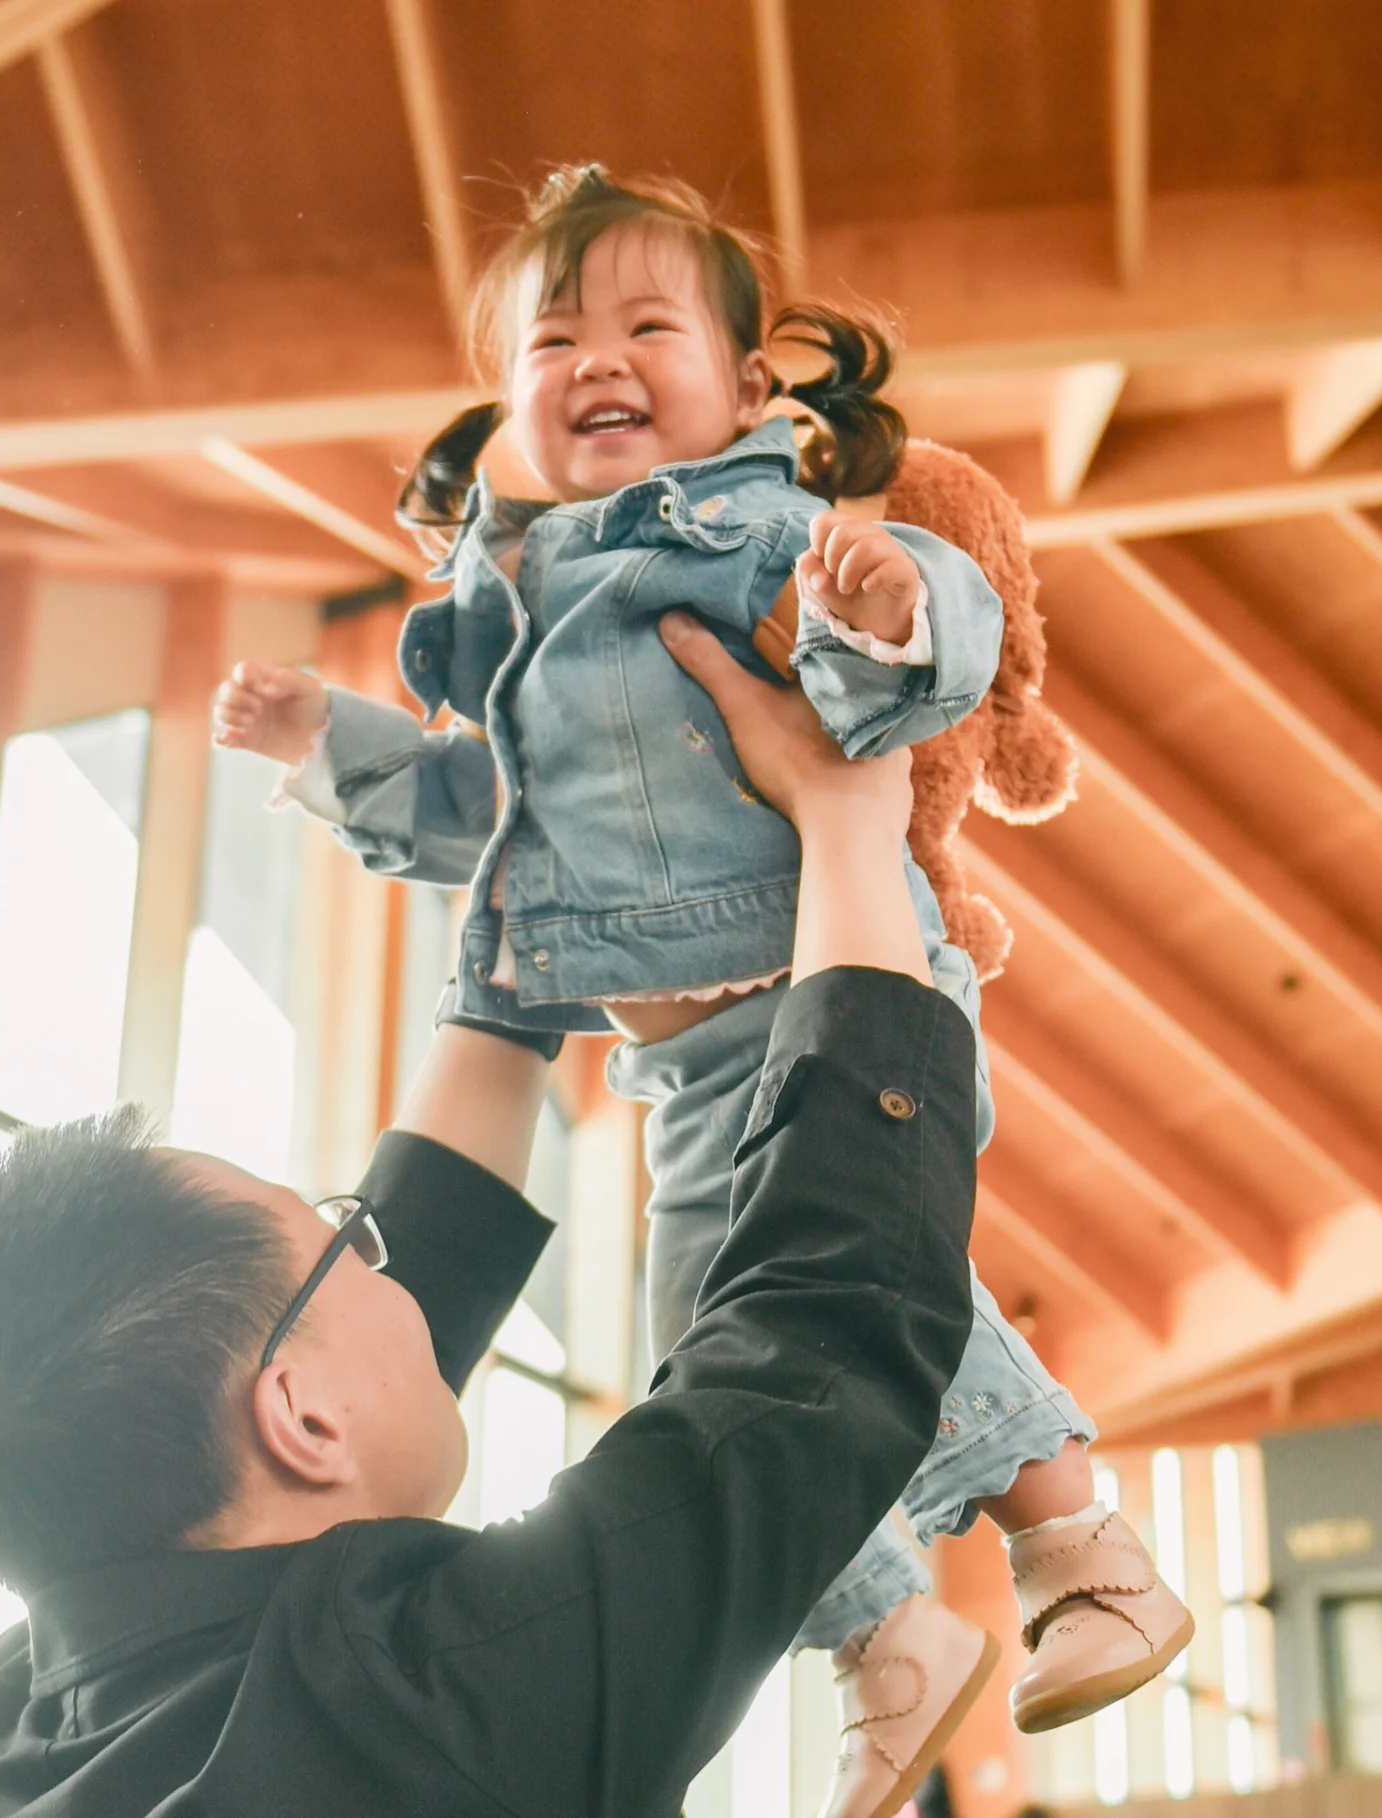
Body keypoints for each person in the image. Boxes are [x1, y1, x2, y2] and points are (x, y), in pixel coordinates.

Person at [213, 166, 1188, 1816]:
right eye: (554, 339)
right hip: (680, 1060)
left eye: (647, 327)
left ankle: (1080, 1545)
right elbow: (491, 822)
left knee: (854, 1280)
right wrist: (330, 747)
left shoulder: (744, 529)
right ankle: (886, 1631)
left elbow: (894, 656)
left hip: (833, 992)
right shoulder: (516, 614)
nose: (597, 357)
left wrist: (888, 614)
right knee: (716, 1352)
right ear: (509, 403)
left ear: (747, 391)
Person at [0, 621, 978, 1817]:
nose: (390, 1267)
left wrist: (527, 914)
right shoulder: (442, 1709)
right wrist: (848, 819)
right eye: (344, 1244)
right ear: (299, 1414)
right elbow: (813, 1342)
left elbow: (352, 1368)